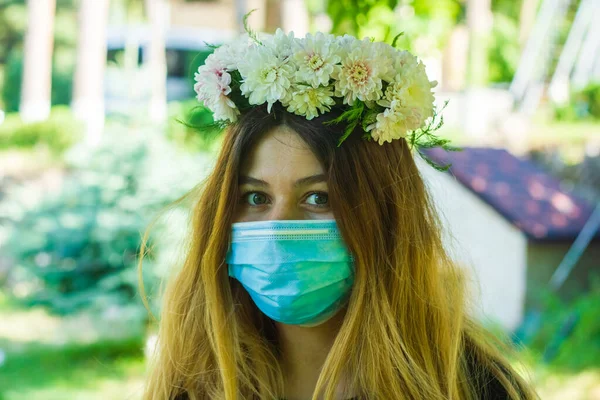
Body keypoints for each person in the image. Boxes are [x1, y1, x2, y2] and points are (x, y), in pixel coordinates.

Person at [140, 28, 539, 400]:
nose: (280, 229)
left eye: (318, 198)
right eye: (256, 198)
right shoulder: (191, 386)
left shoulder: (476, 387)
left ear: (387, 216)